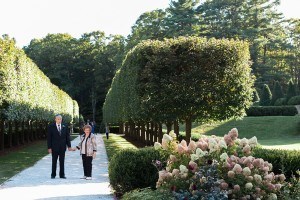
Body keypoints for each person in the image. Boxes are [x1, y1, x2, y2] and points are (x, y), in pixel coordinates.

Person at [47, 114, 75, 179]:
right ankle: (53, 175)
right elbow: (49, 138)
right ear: (55, 119)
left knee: (62, 161)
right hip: (54, 147)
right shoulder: (51, 126)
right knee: (54, 161)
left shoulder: (65, 126)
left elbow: (67, 137)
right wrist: (49, 147)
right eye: (58, 119)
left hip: (62, 147)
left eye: (60, 119)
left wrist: (69, 146)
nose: (59, 120)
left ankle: (62, 175)